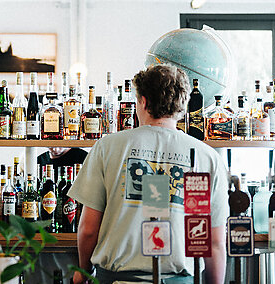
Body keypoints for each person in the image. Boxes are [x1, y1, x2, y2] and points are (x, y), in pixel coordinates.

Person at [68, 64, 228, 284]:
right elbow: (216, 242)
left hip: (116, 279)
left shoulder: (108, 147)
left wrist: (82, 272)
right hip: (181, 279)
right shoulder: (207, 157)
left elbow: (88, 229)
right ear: (183, 105)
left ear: (143, 101)